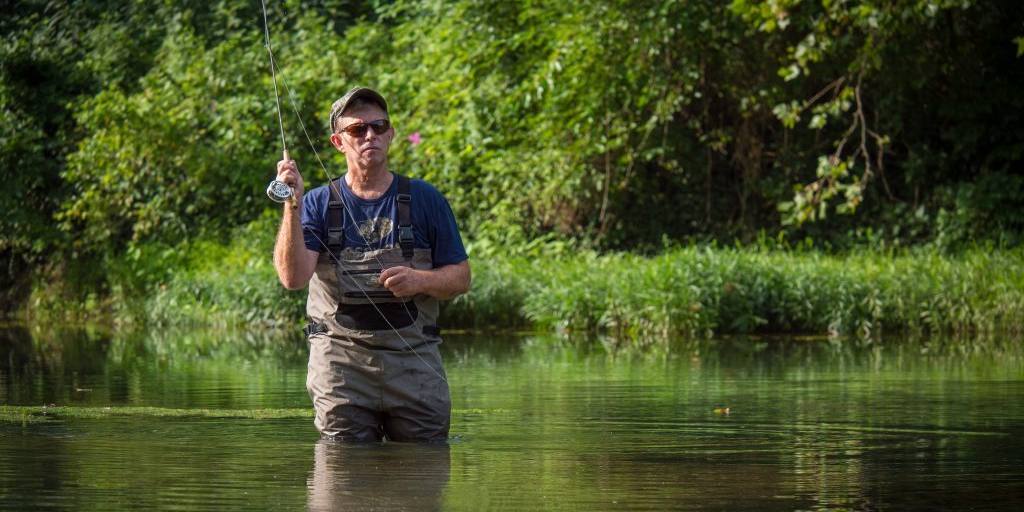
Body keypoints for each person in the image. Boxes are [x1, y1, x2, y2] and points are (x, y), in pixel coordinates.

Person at [272, 87, 471, 442]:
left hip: (414, 362)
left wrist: (419, 281)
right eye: (357, 130)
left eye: (379, 127)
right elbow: (292, 278)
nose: (370, 136)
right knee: (341, 478)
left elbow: (461, 278)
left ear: (391, 134)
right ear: (338, 141)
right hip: (341, 366)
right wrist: (293, 204)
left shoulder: (427, 200)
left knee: (423, 473)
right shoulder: (317, 204)